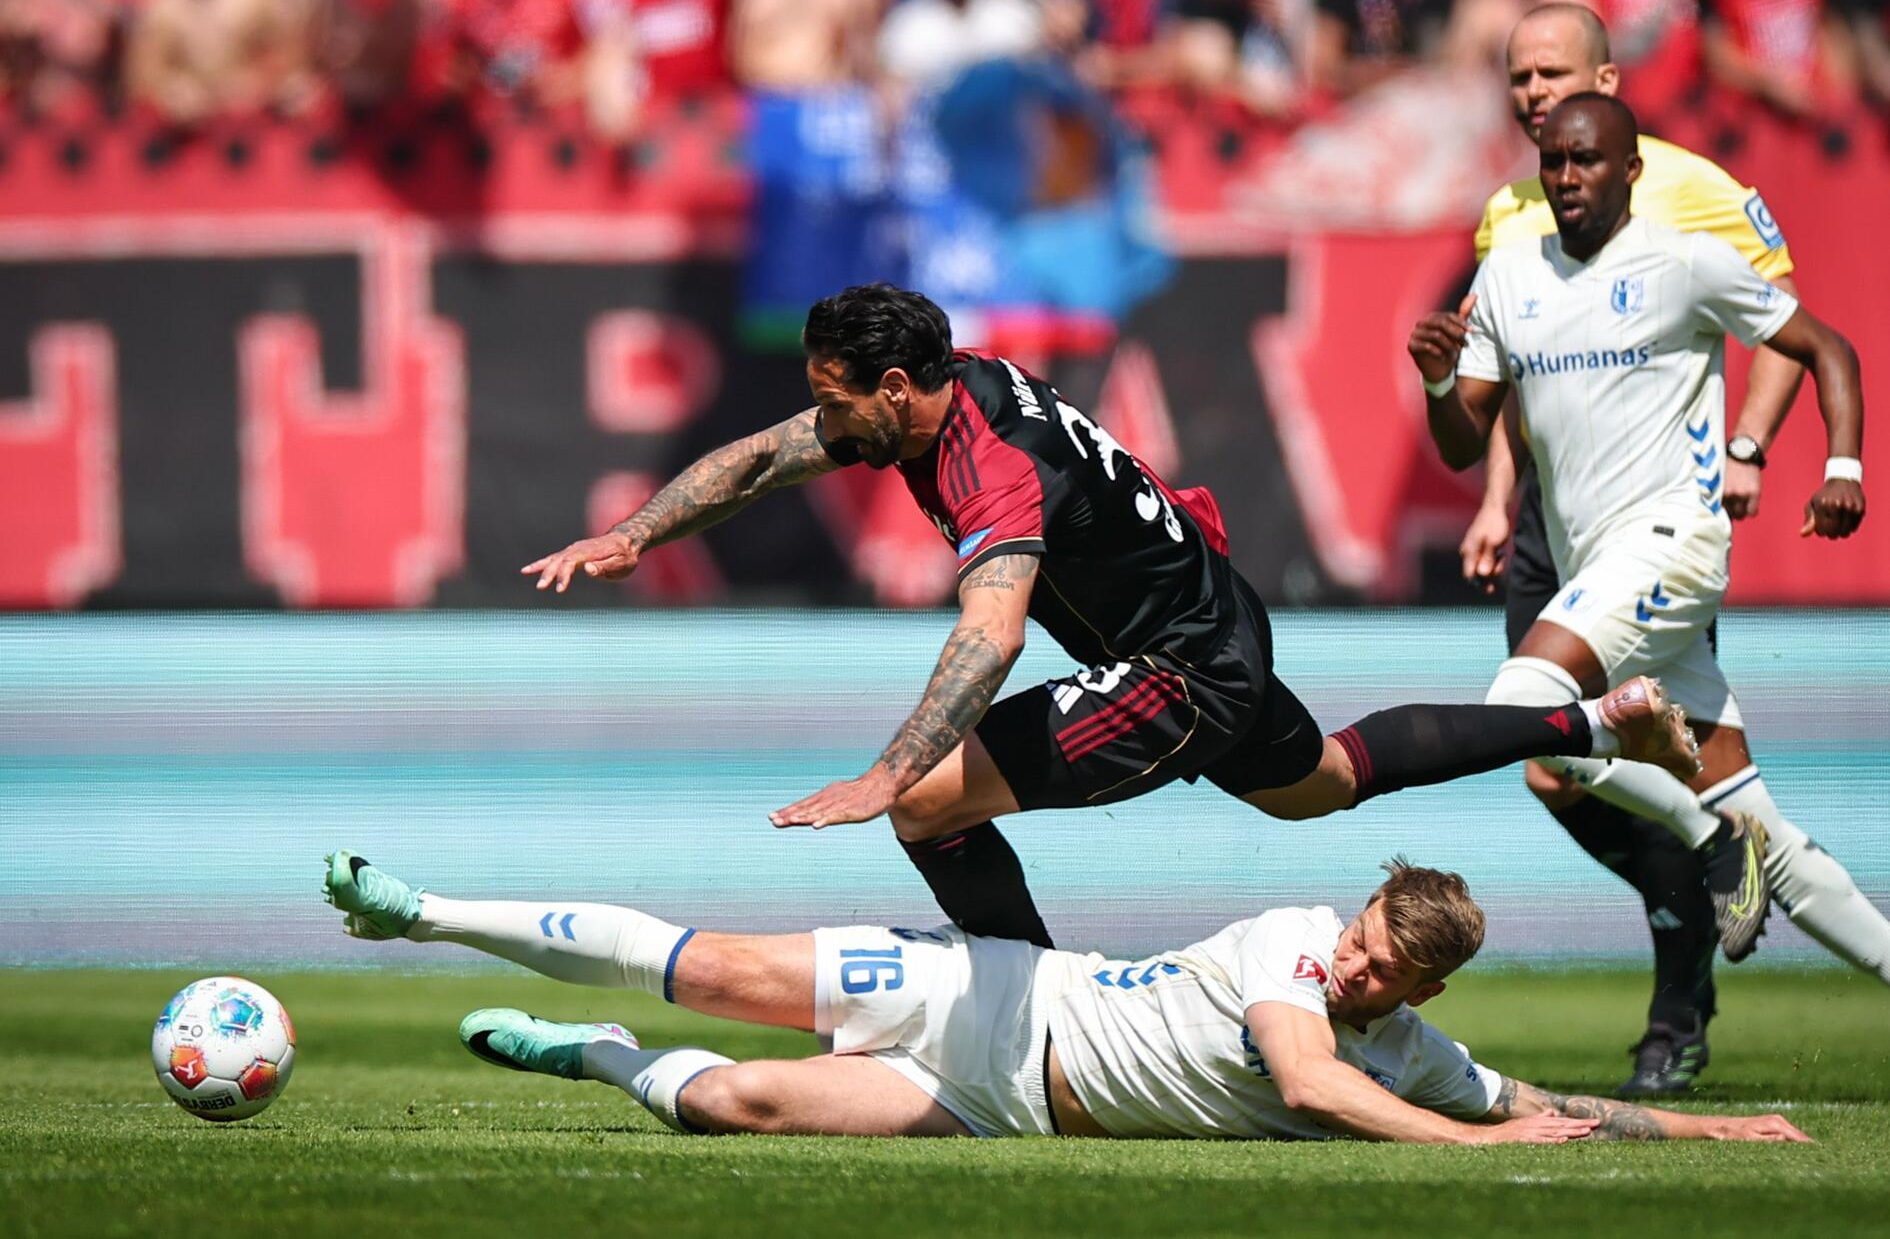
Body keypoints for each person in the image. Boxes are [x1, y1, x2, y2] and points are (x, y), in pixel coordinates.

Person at [525, 282, 1699, 956]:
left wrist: (888, 772)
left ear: (894, 390)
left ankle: (1029, 1032)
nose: (822, 421)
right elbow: (755, 462)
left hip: (1182, 666)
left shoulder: (994, 467)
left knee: (931, 802)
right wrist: (637, 533)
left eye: (837, 400)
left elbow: (989, 636)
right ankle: (1598, 725)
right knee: (1327, 782)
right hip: (1215, 619)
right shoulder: (944, 386)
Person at [1410, 91, 1885, 1091]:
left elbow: (1825, 347)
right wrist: (1444, 387)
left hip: (1673, 544)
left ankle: (1710, 837)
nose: (1568, 177)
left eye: (1587, 160)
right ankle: (1732, 836)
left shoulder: (1684, 258)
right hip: (1601, 573)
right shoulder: (1510, 274)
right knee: (1770, 838)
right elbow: (1466, 444)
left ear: (1630, 168)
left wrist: (1842, 466)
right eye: (1553, 162)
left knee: (1521, 712)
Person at [322, 848, 1811, 1144]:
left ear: (1420, 984)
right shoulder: (1288, 942)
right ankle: (426, 913)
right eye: (1363, 941)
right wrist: (1481, 1150)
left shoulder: (1410, 1050)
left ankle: (590, 1056)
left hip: (985, 1104)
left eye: (1385, 969)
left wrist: (1701, 1136)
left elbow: (1534, 1099)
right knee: (716, 965)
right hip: (983, 990)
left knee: (728, 1100)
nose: (1359, 965)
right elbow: (1307, 1086)